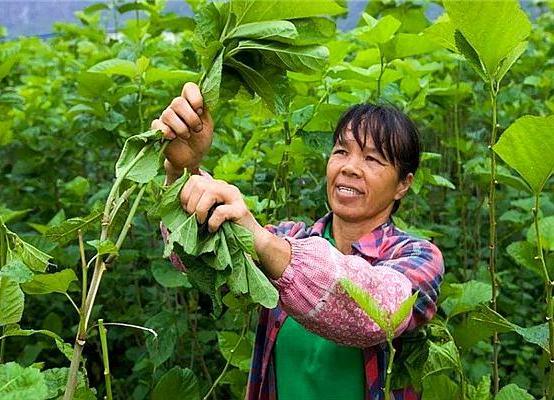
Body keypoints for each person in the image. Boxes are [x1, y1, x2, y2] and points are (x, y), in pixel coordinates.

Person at [152, 82, 444, 400]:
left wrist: (261, 240)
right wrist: (183, 169)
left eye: (372, 159)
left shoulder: (418, 256)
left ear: (403, 184)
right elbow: (201, 260)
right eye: (341, 151)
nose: (349, 167)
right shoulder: (290, 239)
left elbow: (380, 311)